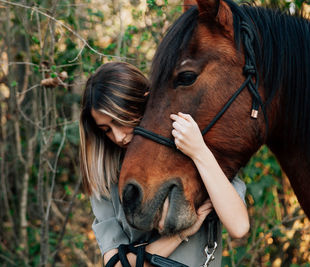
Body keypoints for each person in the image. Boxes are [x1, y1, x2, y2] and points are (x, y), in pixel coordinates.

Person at [79, 62, 249, 267]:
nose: (118, 136)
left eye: (121, 120)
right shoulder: (105, 179)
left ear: (145, 102)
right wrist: (179, 235)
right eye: (106, 129)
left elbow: (238, 226)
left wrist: (199, 152)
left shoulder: (189, 154)